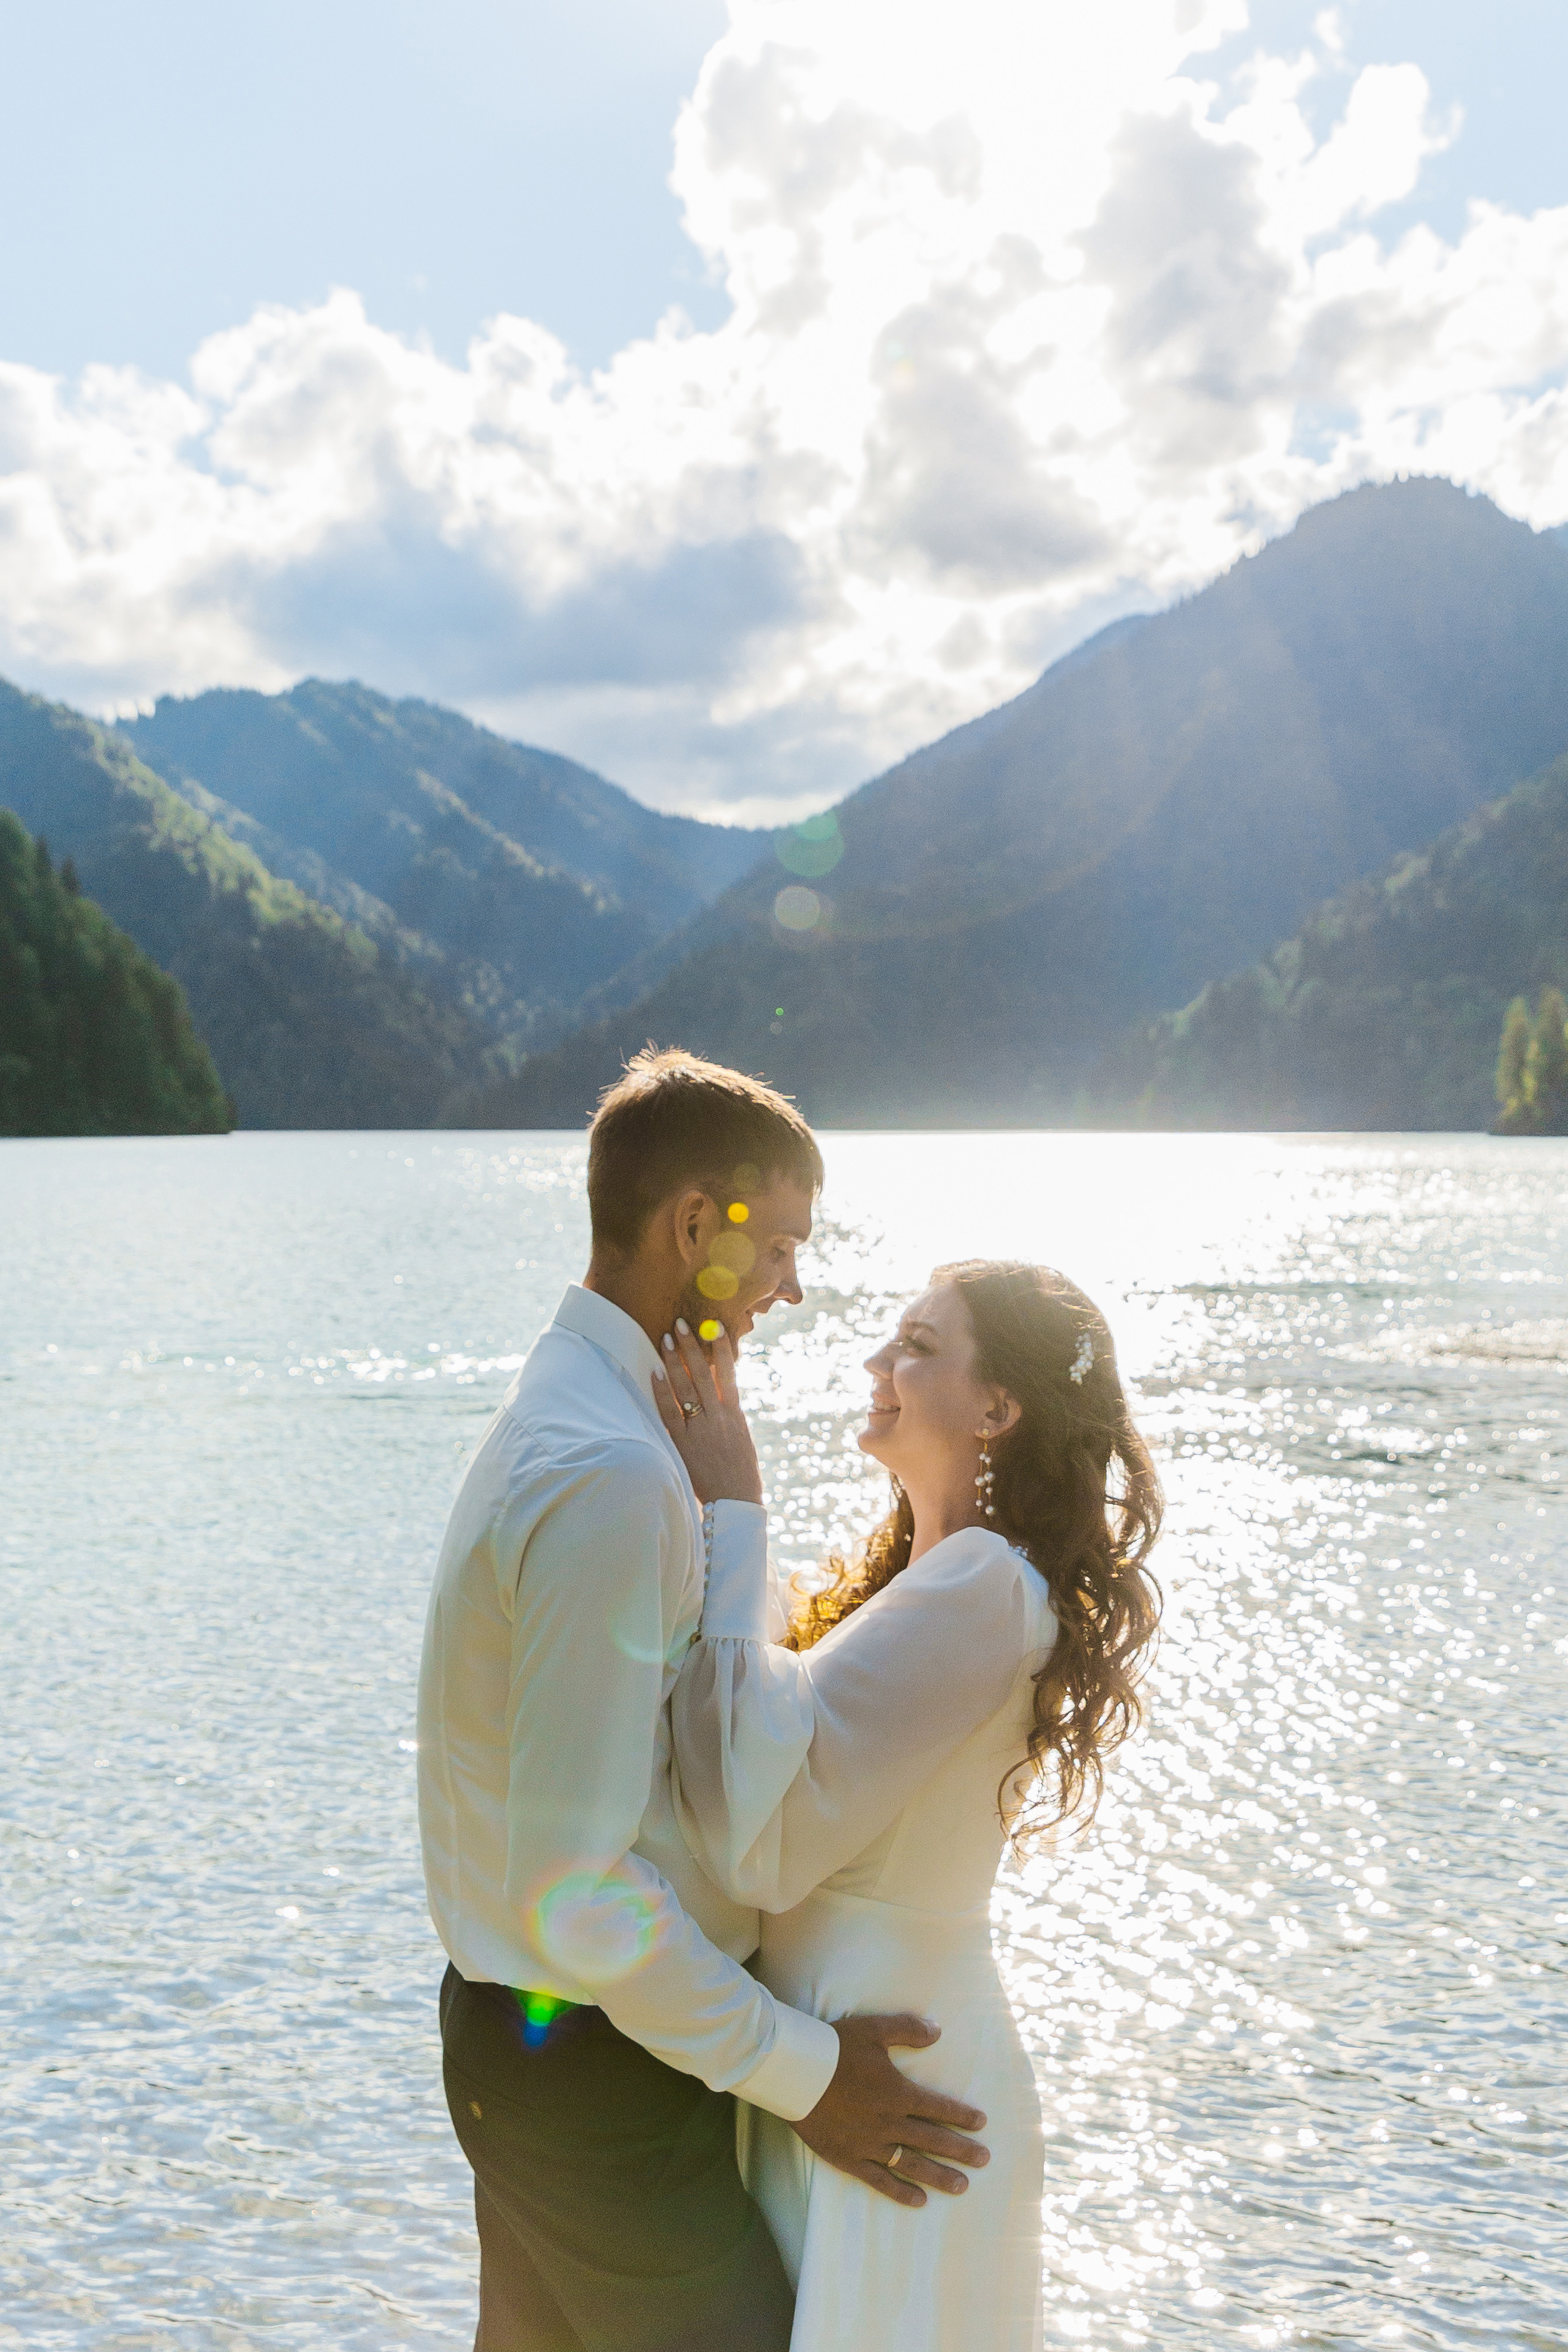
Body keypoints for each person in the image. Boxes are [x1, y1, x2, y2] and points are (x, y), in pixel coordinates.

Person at [416, 1049, 990, 2352]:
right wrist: (802, 2075)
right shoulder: (612, 1475)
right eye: (781, 1245)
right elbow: (578, 1886)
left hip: (551, 2053)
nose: (795, 1285)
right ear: (693, 1226)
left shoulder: (579, 1416)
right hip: (595, 2080)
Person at [653, 1257, 1164, 2352]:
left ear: (998, 1408)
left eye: (918, 1347)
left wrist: (732, 1507)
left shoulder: (984, 1582)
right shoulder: (926, 1584)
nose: (878, 1364)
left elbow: (764, 1845)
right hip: (850, 2071)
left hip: (901, 2088)